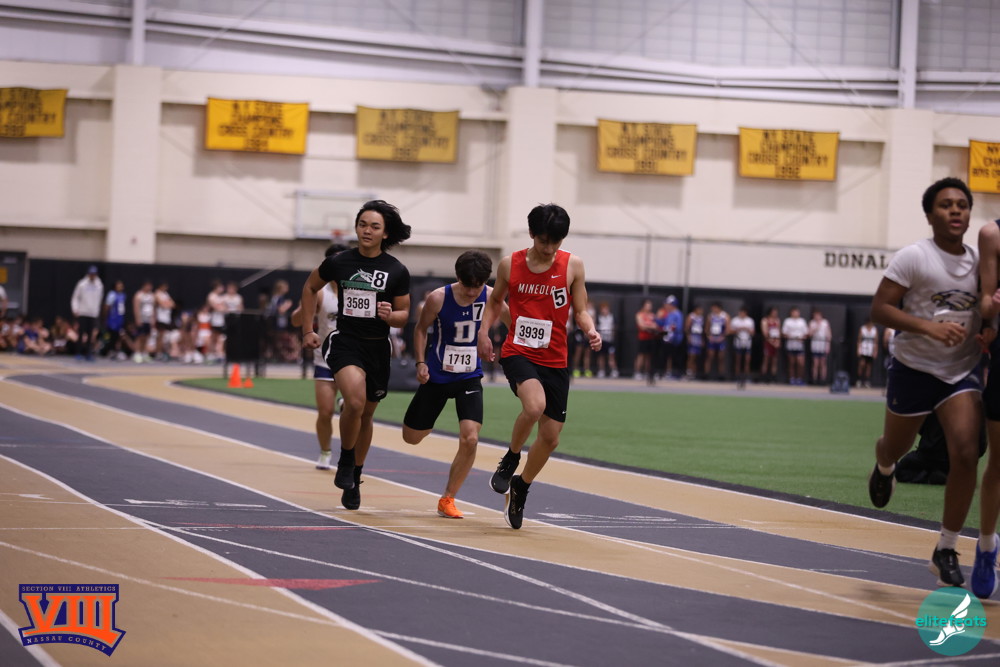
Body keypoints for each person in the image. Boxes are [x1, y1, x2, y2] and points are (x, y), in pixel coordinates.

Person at [867, 177, 985, 588]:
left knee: (966, 453)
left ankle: (946, 548)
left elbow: (987, 307)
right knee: (896, 447)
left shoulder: (980, 262)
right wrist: (928, 327)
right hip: (914, 367)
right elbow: (880, 309)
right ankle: (884, 464)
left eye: (962, 205)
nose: (955, 211)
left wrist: (987, 329)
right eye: (946, 205)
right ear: (930, 215)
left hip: (960, 371)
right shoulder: (914, 257)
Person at [477, 203, 601, 530]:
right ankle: (511, 456)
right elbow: (495, 301)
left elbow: (581, 309)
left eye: (555, 242)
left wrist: (590, 329)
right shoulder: (510, 264)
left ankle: (522, 485)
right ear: (532, 234)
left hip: (555, 358)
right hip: (519, 350)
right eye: (544, 241)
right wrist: (484, 332)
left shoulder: (573, 265)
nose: (549, 248)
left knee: (550, 438)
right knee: (534, 406)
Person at [300, 200, 411, 511]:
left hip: (378, 347)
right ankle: (346, 459)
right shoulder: (339, 262)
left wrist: (391, 315)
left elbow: (404, 314)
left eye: (374, 226)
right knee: (355, 402)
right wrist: (308, 330)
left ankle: (356, 476)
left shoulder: (396, 270)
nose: (367, 230)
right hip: (345, 342)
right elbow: (310, 288)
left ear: (385, 233)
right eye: (363, 224)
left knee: (366, 415)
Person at [402, 250, 502, 519]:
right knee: (412, 437)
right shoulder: (438, 298)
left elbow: (512, 322)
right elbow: (420, 330)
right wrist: (420, 362)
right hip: (437, 376)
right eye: (467, 285)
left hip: (469, 376)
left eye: (477, 286)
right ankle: (429, 419)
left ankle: (448, 498)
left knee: (470, 438)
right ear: (458, 277)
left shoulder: (492, 296)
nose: (471, 292)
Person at [291, 243, 347, 471]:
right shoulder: (320, 292)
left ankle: (349, 455)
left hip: (352, 357)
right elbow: (296, 320)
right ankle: (325, 451)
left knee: (355, 407)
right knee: (325, 412)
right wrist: (305, 309)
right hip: (325, 358)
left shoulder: (357, 289)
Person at [973, 216, 1000, 598]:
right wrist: (990, 310)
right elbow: (984, 298)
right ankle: (986, 545)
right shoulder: (992, 234)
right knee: (999, 461)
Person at [70, 265, 103, 361]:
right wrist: (75, 309)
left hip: (93, 313)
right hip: (83, 312)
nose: (92, 276)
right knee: (81, 334)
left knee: (91, 335)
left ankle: (88, 353)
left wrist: (97, 311)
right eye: (91, 274)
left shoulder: (99, 285)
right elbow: (75, 297)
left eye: (94, 274)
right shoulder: (82, 284)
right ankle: (78, 352)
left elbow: (99, 299)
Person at [656, 295, 684, 380]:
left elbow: (678, 327)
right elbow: (664, 324)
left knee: (674, 357)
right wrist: (656, 319)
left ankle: (676, 374)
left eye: (667, 304)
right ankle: (663, 372)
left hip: (674, 340)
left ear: (672, 305)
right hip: (667, 339)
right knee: (664, 356)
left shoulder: (677, 314)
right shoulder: (668, 314)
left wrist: (673, 337)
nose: (666, 306)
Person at [101, 279, 128, 360]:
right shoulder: (112, 294)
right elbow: (107, 306)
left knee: (119, 335)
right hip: (113, 318)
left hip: (120, 318)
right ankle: (110, 351)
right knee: (112, 335)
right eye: (118, 285)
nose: (120, 287)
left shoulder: (123, 295)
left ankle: (117, 351)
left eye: (121, 285)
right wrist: (105, 317)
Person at [782, 306, 808, 385]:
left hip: (799, 346)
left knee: (800, 363)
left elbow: (806, 333)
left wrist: (801, 338)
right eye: (794, 312)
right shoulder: (787, 321)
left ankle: (799, 379)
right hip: (791, 345)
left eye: (797, 312)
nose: (795, 314)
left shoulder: (802, 321)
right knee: (791, 362)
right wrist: (791, 337)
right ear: (791, 313)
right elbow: (784, 333)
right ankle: (792, 379)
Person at [704, 302, 730, 381]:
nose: (713, 310)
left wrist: (723, 337)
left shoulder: (725, 316)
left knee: (721, 357)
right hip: (712, 338)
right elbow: (707, 328)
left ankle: (721, 374)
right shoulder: (710, 316)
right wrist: (709, 336)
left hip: (721, 338)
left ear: (719, 308)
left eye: (714, 308)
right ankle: (706, 374)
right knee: (710, 356)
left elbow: (728, 329)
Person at [730, 306, 755, 389]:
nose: (742, 314)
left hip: (747, 342)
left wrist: (747, 329)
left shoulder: (750, 321)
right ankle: (737, 378)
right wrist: (738, 329)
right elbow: (730, 331)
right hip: (738, 342)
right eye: (740, 312)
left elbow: (753, 332)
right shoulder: (735, 320)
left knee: (747, 361)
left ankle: (746, 378)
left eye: (743, 313)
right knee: (738, 360)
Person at [634, 299, 657, 381]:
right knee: (641, 355)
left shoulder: (652, 315)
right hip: (643, 338)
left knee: (649, 357)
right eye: (647, 305)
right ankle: (637, 372)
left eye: (650, 305)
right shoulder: (639, 314)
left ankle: (647, 372)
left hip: (651, 338)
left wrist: (648, 326)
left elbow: (655, 326)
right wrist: (649, 326)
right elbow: (641, 326)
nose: (649, 307)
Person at [594, 301, 618, 378]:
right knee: (601, 356)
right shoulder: (599, 318)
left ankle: (614, 370)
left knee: (611, 356)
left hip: (610, 340)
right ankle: (601, 371)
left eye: (606, 309)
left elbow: (614, 327)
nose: (604, 310)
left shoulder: (612, 317)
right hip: (602, 340)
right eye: (603, 309)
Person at [808, 308, 832, 385]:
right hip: (815, 345)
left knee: (823, 363)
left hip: (823, 345)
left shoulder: (825, 323)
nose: (817, 317)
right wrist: (816, 327)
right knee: (815, 363)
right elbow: (809, 334)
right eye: (815, 315)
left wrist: (828, 345)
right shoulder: (812, 323)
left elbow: (829, 335)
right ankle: (814, 380)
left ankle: (822, 380)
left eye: (818, 315)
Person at [132, 280, 155, 363]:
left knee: (146, 336)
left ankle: (144, 353)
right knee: (139, 336)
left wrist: (153, 318)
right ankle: (137, 353)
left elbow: (153, 308)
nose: (149, 287)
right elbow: (136, 307)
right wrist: (138, 319)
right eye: (147, 286)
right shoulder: (139, 295)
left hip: (148, 319)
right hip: (141, 318)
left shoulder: (151, 296)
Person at [153, 281, 175, 361]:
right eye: (164, 286)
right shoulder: (157, 293)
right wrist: (167, 304)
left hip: (167, 318)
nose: (166, 288)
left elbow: (173, 304)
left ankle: (165, 353)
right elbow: (162, 305)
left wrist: (167, 304)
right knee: (160, 336)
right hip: (160, 318)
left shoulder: (166, 294)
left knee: (166, 337)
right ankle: (158, 353)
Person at [760, 307, 782, 383]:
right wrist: (772, 342)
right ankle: (764, 377)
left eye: (776, 312)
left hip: (776, 342)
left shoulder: (777, 320)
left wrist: (778, 342)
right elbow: (765, 333)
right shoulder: (765, 320)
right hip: (768, 342)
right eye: (774, 312)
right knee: (766, 360)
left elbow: (779, 332)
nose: (775, 314)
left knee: (774, 360)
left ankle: (773, 378)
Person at [856, 318, 879, 388]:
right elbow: (859, 340)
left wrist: (875, 351)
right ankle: (859, 380)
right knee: (862, 364)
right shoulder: (862, 328)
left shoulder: (874, 329)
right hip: (863, 349)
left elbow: (876, 341)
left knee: (869, 366)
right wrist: (858, 349)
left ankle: (867, 381)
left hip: (870, 350)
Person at [684, 304, 705, 380]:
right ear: (696, 310)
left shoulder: (701, 318)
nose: (701, 311)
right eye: (700, 310)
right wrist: (688, 337)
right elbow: (687, 328)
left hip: (698, 337)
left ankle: (694, 373)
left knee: (696, 356)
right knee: (691, 356)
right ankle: (689, 372)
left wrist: (702, 339)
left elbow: (702, 329)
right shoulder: (691, 316)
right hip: (692, 336)